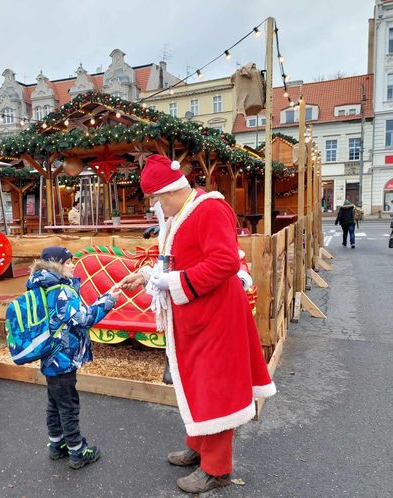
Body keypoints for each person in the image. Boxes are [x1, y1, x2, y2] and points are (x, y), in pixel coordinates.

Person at [118, 154, 275, 495]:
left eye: (156, 200)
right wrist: (148, 275)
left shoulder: (209, 209)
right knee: (196, 383)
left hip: (217, 317)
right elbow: (181, 262)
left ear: (170, 192)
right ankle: (199, 446)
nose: (155, 207)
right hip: (197, 315)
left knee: (214, 389)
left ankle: (217, 469)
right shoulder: (184, 212)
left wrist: (170, 282)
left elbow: (224, 262)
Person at [27, 246, 120, 469]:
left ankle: (56, 444)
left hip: (50, 355)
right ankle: (78, 451)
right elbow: (83, 319)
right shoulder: (60, 290)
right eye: (68, 262)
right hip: (63, 357)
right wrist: (109, 301)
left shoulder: (40, 285)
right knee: (68, 405)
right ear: (56, 263)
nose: (72, 265)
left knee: (54, 402)